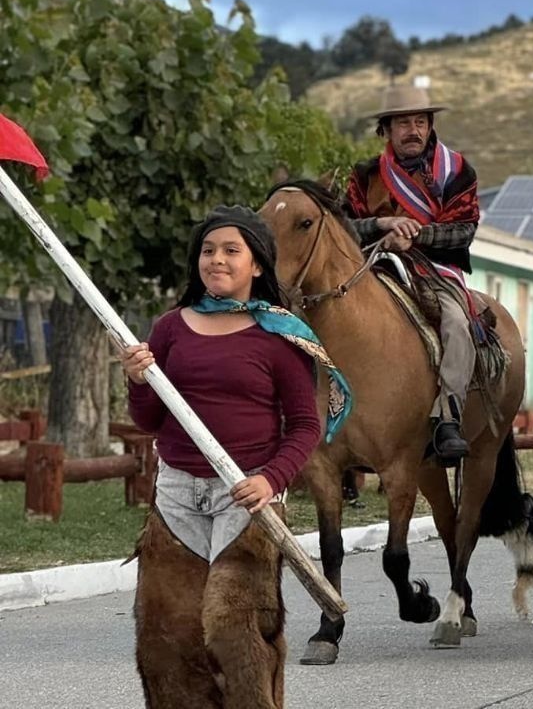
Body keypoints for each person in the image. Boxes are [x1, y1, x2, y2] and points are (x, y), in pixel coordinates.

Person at [124, 206, 347, 708]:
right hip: (177, 498)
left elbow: (306, 426)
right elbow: (149, 420)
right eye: (207, 250)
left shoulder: (279, 335)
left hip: (246, 504)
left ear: (258, 266)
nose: (216, 260)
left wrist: (270, 481)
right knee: (168, 641)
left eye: (231, 251)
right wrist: (139, 381)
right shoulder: (169, 329)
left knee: (237, 636)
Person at [343, 85, 481, 461]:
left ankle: (448, 418)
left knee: (457, 324)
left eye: (420, 121)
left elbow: (465, 229)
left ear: (430, 124)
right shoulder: (365, 175)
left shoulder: (456, 170)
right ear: (386, 129)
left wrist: (418, 235)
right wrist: (381, 225)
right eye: (403, 123)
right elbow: (342, 227)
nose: (413, 130)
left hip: (436, 268)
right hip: (376, 261)